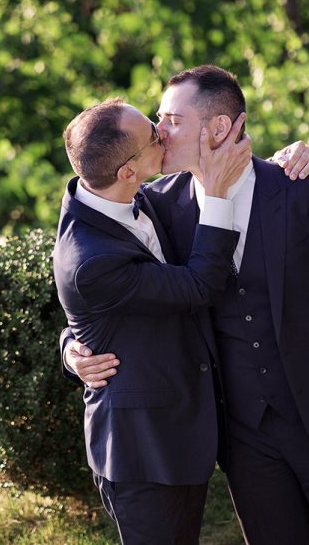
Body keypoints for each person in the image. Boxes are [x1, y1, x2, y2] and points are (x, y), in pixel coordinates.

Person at [65, 65, 309, 545]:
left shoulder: (304, 187)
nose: (159, 131)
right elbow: (94, 278)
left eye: (171, 120)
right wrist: (73, 348)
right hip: (242, 435)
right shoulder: (159, 207)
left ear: (219, 127)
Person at [54, 97, 250, 544]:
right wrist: (217, 196)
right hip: (142, 451)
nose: (163, 134)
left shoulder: (115, 196)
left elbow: (90, 314)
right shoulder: (91, 259)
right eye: (152, 137)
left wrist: (288, 158)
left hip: (177, 428)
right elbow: (198, 286)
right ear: (127, 170)